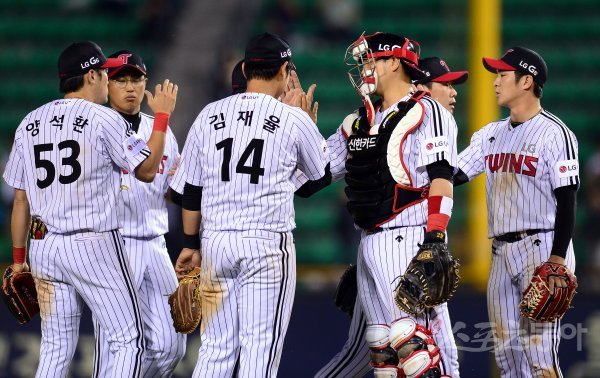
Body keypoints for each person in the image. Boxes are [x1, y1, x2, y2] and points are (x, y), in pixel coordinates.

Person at [2, 41, 177, 377]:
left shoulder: (30, 122)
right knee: (128, 339)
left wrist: (19, 258)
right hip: (93, 244)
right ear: (93, 75)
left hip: (44, 247)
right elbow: (147, 170)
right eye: (104, 74)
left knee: (54, 349)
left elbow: (20, 199)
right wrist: (163, 119)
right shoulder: (102, 118)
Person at [172, 33, 329, 378]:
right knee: (260, 350)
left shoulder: (208, 115)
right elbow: (318, 180)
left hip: (216, 244)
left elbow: (190, 190)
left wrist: (190, 245)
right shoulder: (292, 118)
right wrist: (309, 131)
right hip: (266, 243)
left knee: (215, 350)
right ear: (286, 71)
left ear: (244, 68)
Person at [316, 55, 468, 378]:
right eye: (446, 84)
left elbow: (441, 178)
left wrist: (434, 238)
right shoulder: (370, 119)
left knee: (410, 354)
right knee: (398, 354)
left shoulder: (427, 118)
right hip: (380, 245)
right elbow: (317, 175)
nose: (453, 92)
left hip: (402, 239)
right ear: (423, 84)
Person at [454, 46, 578, 377]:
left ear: (526, 81)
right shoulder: (489, 135)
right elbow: (454, 174)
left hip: (541, 249)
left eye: (502, 74)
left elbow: (567, 199)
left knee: (539, 358)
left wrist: (557, 260)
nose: (495, 82)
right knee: (508, 360)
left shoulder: (556, 134)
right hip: (500, 253)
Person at [89, 50, 186, 377]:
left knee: (173, 345)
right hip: (113, 246)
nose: (130, 87)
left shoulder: (161, 131)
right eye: (120, 80)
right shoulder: (96, 126)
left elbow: (174, 188)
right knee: (115, 348)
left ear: (146, 82)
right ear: (107, 83)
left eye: (136, 79)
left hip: (155, 243)